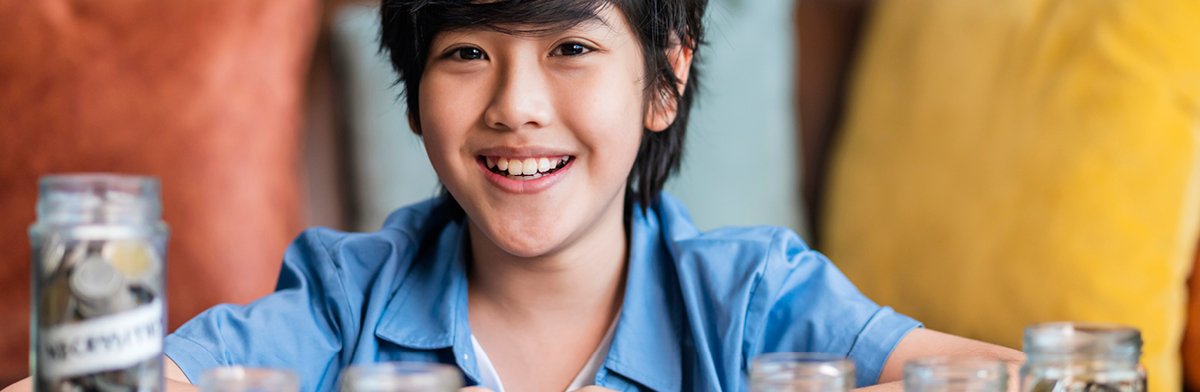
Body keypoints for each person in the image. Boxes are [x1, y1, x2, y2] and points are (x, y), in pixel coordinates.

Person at [4, 1, 1023, 391]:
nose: (516, 106)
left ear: (666, 78)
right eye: (466, 55)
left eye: (572, 49)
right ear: (412, 94)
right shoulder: (338, 301)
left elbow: (1027, 376)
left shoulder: (752, 296)